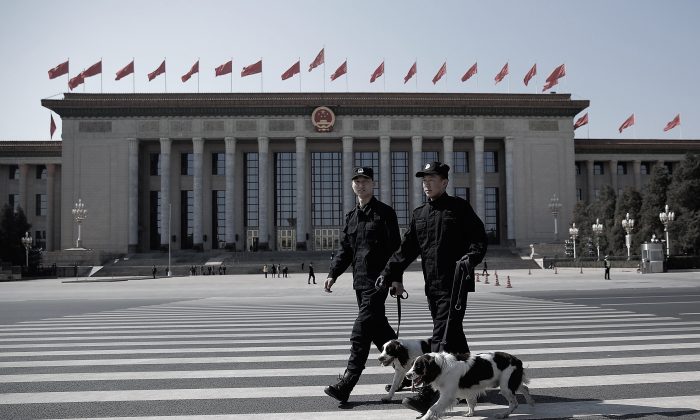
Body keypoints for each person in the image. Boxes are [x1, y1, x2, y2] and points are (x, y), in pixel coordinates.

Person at [379, 161, 487, 415]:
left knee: (442, 336)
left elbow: (478, 238)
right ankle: (472, 382)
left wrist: (469, 259)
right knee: (455, 338)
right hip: (433, 285)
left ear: (445, 182)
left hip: (456, 283)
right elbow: (406, 249)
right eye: (424, 180)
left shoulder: (459, 208)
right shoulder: (420, 214)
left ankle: (428, 395)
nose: (426, 184)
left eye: (432, 179)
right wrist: (390, 273)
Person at [323, 166, 402, 404]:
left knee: (360, 332)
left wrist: (396, 278)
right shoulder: (351, 216)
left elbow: (396, 249)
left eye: (365, 180)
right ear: (352, 186)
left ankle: (347, 383)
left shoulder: (385, 213)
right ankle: (408, 372)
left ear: (373, 184)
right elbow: (345, 249)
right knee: (380, 331)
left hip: (379, 281)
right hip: (360, 281)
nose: (361, 185)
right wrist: (333, 273)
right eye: (357, 181)